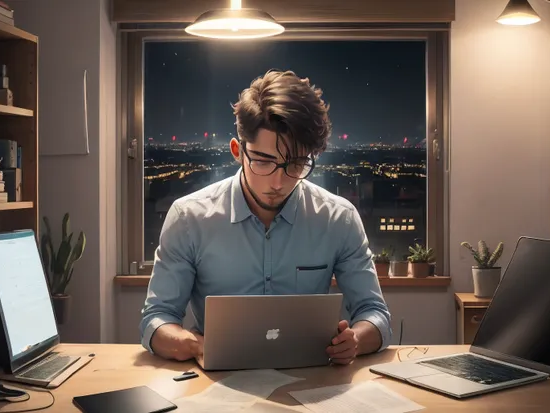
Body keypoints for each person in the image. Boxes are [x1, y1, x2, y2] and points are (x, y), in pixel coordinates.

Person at [139, 69, 392, 366]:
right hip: (215, 380)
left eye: (295, 164)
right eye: (263, 161)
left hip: (313, 380)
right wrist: (197, 346)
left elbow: (376, 313)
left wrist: (356, 340)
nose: (278, 182)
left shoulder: (338, 218)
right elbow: (155, 321)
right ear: (238, 150)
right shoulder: (189, 218)